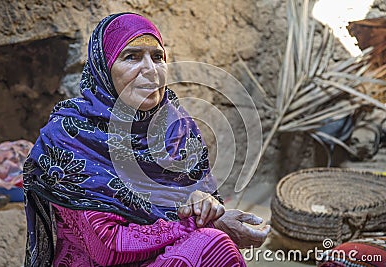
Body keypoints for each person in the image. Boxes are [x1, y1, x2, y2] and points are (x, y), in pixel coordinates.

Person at [23, 12, 270, 267]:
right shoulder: (70, 137)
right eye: (131, 57)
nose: (151, 71)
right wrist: (196, 222)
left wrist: (206, 208)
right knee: (211, 245)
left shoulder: (176, 127)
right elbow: (107, 248)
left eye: (158, 57)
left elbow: (207, 202)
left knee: (213, 244)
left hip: (164, 254)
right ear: (103, 68)